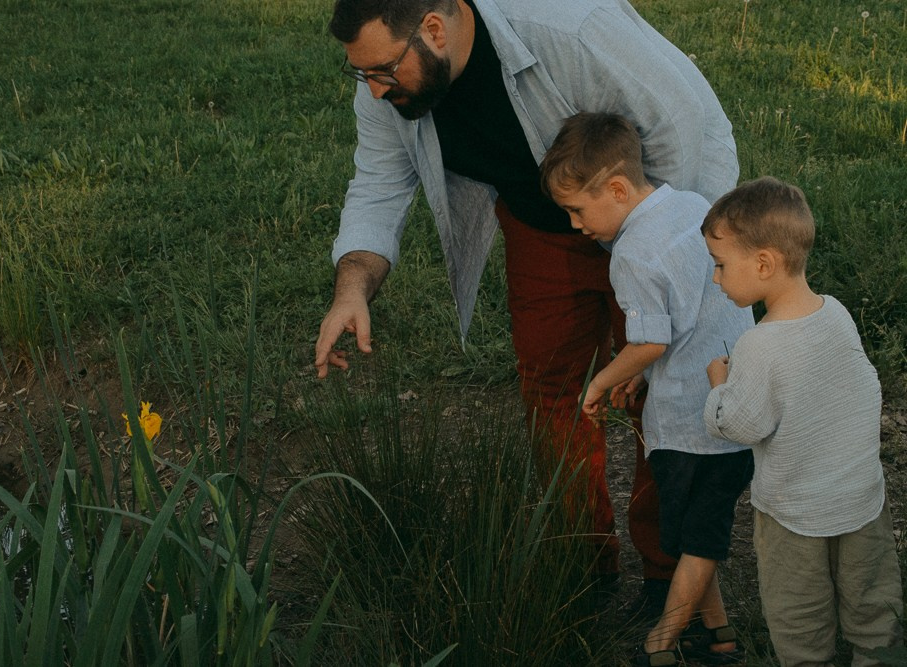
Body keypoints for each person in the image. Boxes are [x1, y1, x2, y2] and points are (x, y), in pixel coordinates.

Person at [314, 0, 740, 610]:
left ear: (434, 28)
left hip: (651, 214)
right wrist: (351, 289)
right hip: (540, 223)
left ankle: (667, 569)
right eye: (365, 75)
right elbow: (379, 182)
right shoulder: (386, 77)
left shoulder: (574, 31)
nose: (376, 91)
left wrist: (658, 251)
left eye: (382, 71)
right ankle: (582, 560)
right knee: (550, 389)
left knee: (661, 387)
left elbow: (678, 126)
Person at [540, 112, 753, 665]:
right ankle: (722, 638)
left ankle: (661, 642)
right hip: (743, 399)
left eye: (578, 210)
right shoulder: (690, 206)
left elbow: (651, 341)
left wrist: (603, 379)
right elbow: (686, 313)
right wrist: (636, 370)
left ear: (615, 188)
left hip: (691, 426)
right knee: (692, 537)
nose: (574, 226)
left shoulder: (631, 254)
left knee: (692, 541)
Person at [703, 177, 905, 666]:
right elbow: (857, 386)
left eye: (721, 264)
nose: (716, 278)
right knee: (871, 598)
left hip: (793, 512)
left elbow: (743, 423)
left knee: (800, 612)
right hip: (859, 498)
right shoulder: (835, 314)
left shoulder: (759, 343)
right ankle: (878, 655)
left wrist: (719, 390)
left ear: (765, 263)